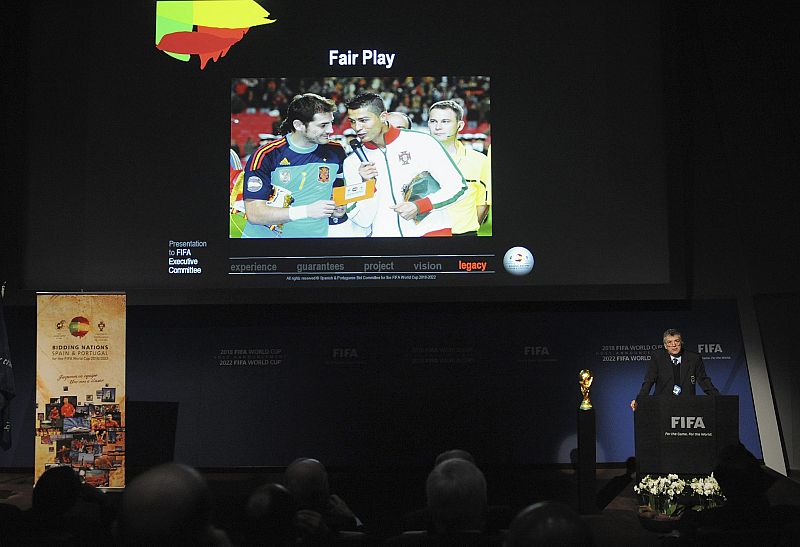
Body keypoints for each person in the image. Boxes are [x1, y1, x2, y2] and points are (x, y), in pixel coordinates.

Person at [343, 93, 467, 237]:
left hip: (432, 236)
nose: (357, 127)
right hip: (389, 244)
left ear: (383, 116)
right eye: (352, 121)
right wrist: (368, 185)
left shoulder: (422, 142)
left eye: (363, 120)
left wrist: (420, 206)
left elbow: (458, 186)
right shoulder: (351, 163)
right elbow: (362, 220)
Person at [242, 93, 346, 238]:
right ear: (298, 125)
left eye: (331, 123)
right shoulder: (266, 155)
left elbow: (338, 187)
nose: (331, 130)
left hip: (315, 243)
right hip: (265, 246)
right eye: (323, 125)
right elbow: (254, 214)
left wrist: (339, 205)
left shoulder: (336, 151)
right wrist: (307, 211)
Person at [427, 100, 490, 236]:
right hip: (425, 237)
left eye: (445, 121)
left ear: (460, 125)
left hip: (463, 236)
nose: (438, 127)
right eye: (433, 121)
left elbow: (482, 205)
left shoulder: (480, 161)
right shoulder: (417, 159)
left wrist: (465, 231)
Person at [630, 328, 720, 411]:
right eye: (669, 342)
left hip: (687, 405)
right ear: (665, 346)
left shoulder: (694, 358)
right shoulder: (657, 358)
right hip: (663, 405)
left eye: (676, 341)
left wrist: (720, 400)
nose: (674, 345)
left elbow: (704, 381)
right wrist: (640, 400)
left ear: (681, 342)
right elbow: (649, 381)